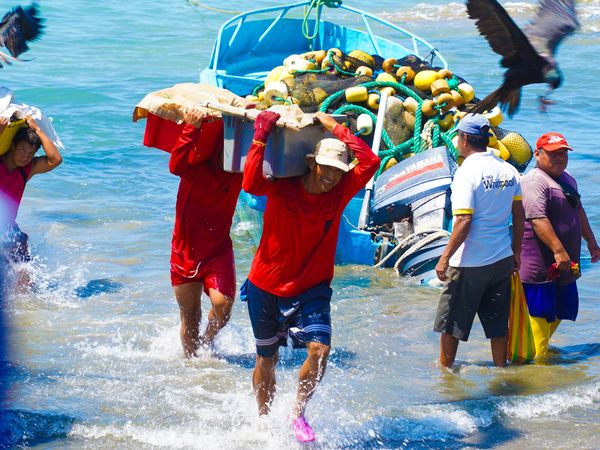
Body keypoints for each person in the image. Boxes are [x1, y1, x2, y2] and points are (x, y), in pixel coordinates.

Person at [241, 110, 379, 443]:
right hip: (265, 285)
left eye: (338, 170)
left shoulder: (340, 192)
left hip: (312, 288)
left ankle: (298, 413)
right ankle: (263, 419)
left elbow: (370, 161)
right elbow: (250, 184)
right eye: (326, 167)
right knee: (267, 358)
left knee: (320, 349)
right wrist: (260, 137)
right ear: (311, 163)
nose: (331, 176)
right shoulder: (284, 188)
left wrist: (334, 126)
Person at [433, 113, 524, 368]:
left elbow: (464, 220)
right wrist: (516, 252)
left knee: (451, 323)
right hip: (502, 259)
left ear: (463, 138)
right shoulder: (509, 170)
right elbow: (520, 216)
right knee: (497, 324)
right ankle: (501, 371)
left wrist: (444, 258)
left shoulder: (466, 172)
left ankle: (446, 374)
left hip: (469, 262)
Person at [169, 109, 242, 358]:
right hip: (185, 253)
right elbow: (174, 165)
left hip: (218, 251)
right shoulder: (195, 168)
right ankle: (191, 365)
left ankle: (207, 341)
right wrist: (191, 127)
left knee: (223, 307)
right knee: (190, 316)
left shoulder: (238, 176)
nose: (230, 157)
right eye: (226, 150)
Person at [519, 132, 600, 357]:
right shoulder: (534, 181)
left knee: (564, 307)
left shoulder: (568, 178)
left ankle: (538, 350)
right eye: (553, 154)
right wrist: (558, 250)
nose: (560, 158)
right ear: (537, 154)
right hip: (540, 262)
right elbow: (537, 219)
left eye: (563, 153)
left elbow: (578, 210)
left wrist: (591, 241)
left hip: (565, 260)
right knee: (540, 311)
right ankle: (538, 362)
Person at [0, 116, 62, 268]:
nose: (26, 157)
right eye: (22, 150)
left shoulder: (26, 170)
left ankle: (26, 284)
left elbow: (55, 160)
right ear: (13, 145)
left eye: (31, 153)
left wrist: (38, 130)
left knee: (21, 246)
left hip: (7, 228)